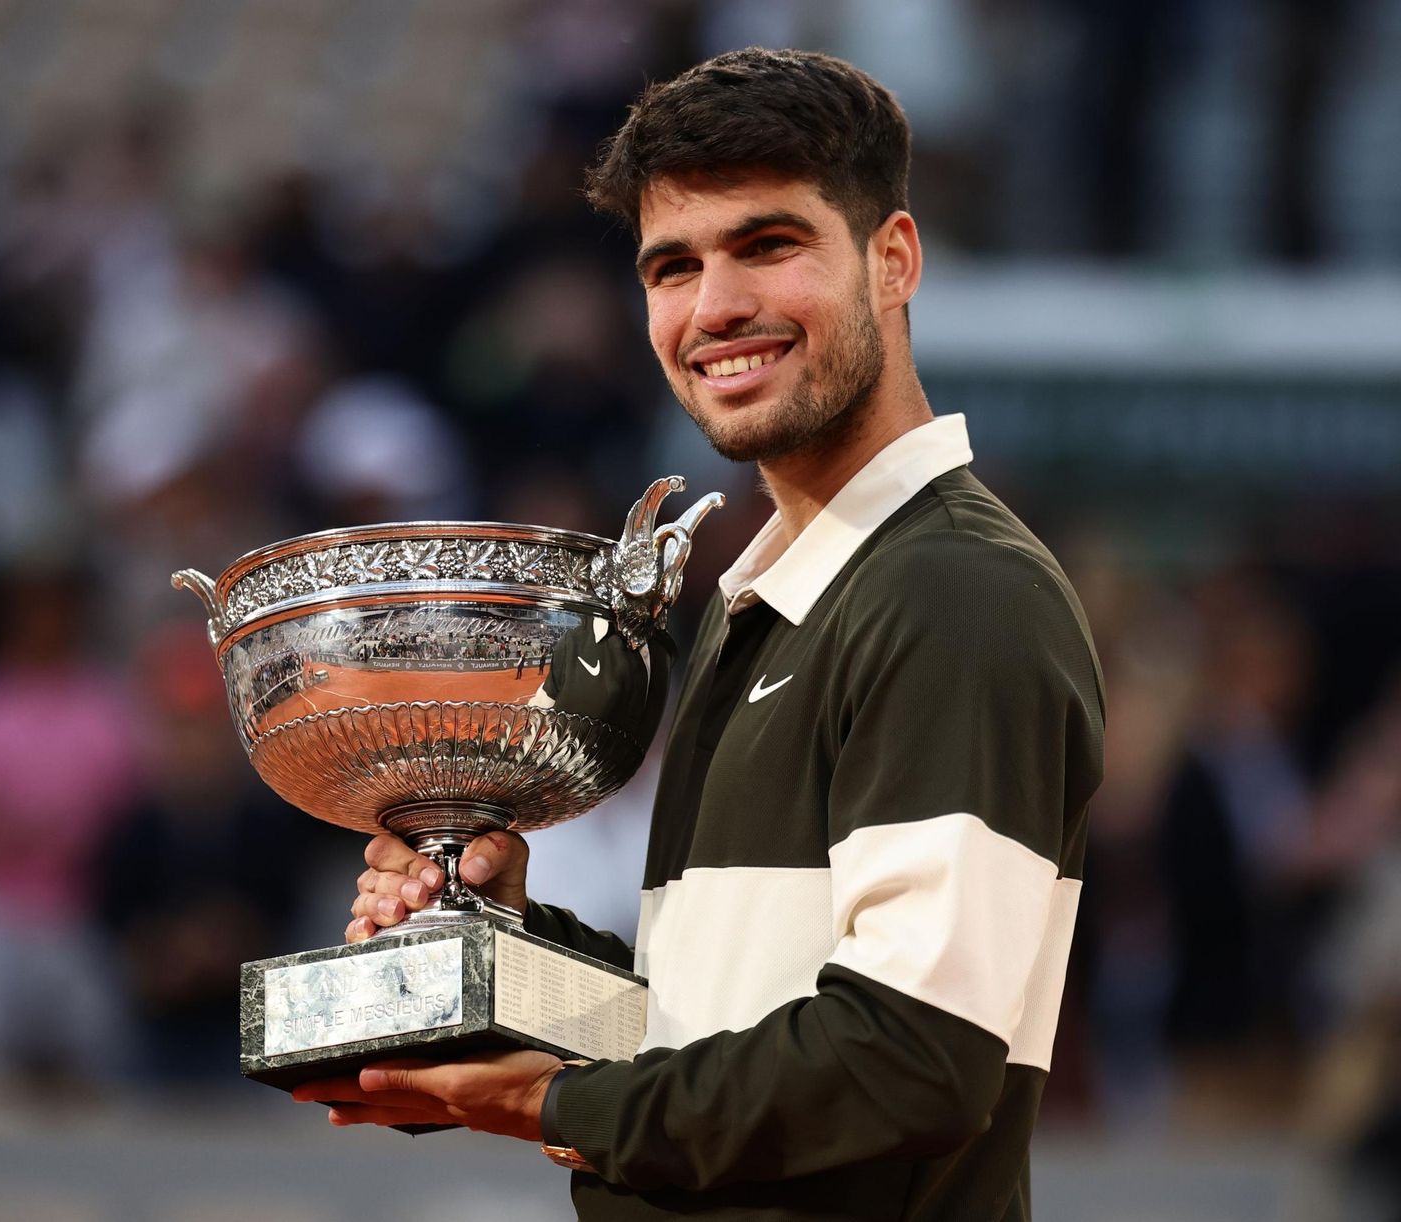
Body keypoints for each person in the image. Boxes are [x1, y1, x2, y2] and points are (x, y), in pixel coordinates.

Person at [293, 48, 1105, 1221]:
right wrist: (503, 954)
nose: (714, 307)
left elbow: (910, 1061)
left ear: (894, 260)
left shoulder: (955, 593)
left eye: (768, 246)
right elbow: (702, 1025)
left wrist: (546, 1103)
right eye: (672, 266)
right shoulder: (764, 599)